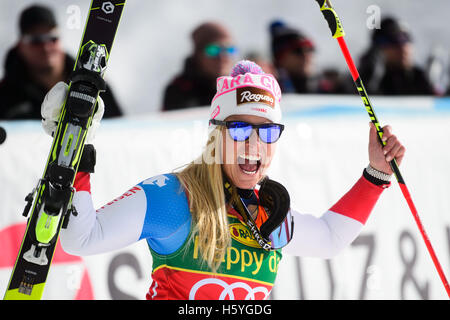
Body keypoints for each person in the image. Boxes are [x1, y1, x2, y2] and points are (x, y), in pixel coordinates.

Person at [41, 60, 405, 300]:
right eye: (241, 129)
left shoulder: (268, 212)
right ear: (215, 133)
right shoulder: (172, 197)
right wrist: (75, 165)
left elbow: (328, 238)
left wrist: (375, 175)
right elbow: (82, 239)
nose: (253, 146)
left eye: (267, 132)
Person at [0, 4, 122, 120]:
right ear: (20, 45)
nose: (46, 47)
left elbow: (120, 133)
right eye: (36, 40)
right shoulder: (5, 96)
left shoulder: (96, 87)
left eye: (52, 38)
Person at [161, 21, 237, 111]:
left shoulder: (241, 87)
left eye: (230, 49)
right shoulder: (179, 90)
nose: (223, 56)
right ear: (198, 54)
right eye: (214, 50)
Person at [358, 17, 433, 95]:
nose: (402, 47)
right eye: (394, 40)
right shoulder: (370, 79)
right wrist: (366, 81)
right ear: (378, 48)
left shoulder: (420, 78)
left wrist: (433, 87)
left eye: (406, 39)